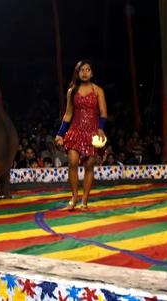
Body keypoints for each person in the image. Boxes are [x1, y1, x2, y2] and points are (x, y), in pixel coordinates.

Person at [55, 60, 107, 210]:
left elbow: (103, 113)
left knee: (89, 166)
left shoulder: (98, 91)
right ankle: (74, 197)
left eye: (88, 70)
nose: (85, 72)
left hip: (92, 132)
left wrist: (101, 129)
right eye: (82, 70)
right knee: (72, 162)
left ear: (92, 72)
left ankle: (84, 200)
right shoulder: (72, 91)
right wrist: (60, 134)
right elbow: (68, 114)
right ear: (77, 73)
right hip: (75, 131)